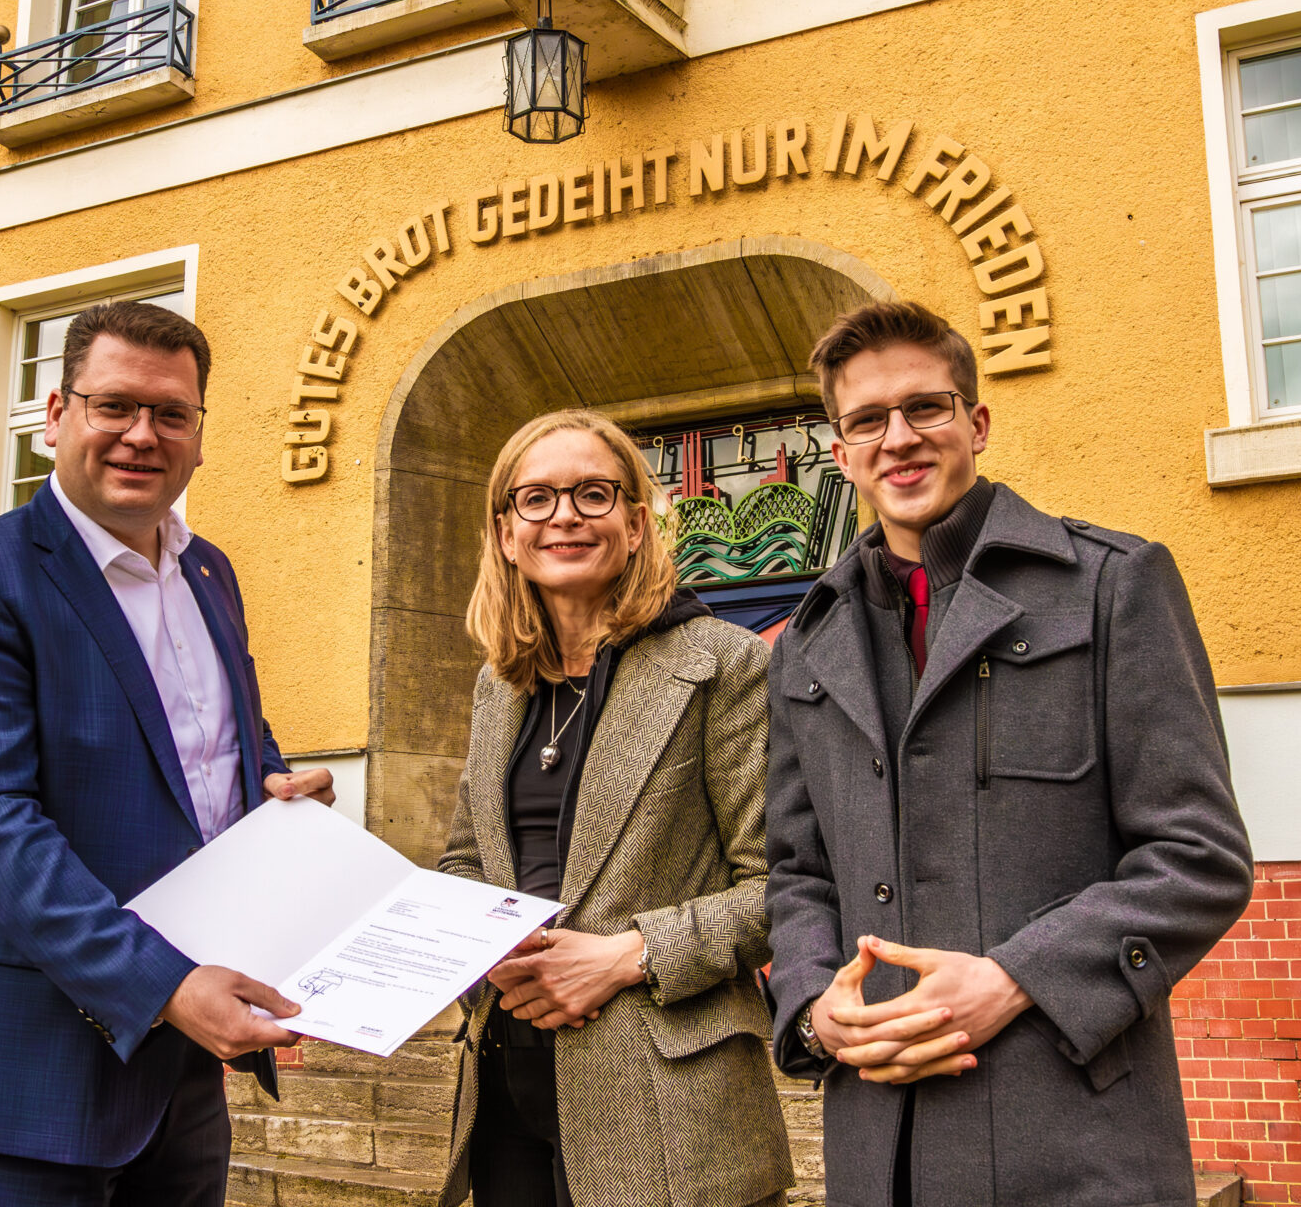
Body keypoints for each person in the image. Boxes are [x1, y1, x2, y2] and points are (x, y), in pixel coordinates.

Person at [763, 301, 1255, 1206]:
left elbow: (1198, 859)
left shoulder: (1113, 584)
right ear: (842, 452)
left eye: (927, 408)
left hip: (1070, 1140)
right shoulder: (804, 644)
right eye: (867, 421)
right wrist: (813, 1009)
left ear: (976, 423)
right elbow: (798, 873)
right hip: (879, 1153)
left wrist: (1015, 978)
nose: (898, 439)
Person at [0, 301, 335, 1206]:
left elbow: (210, 739)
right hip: (25, 1064)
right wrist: (164, 985)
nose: (142, 434)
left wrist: (273, 789)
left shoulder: (210, 572)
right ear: (58, 416)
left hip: (179, 1069)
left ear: (199, 435)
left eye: (171, 414)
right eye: (115, 406)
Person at [436, 410, 794, 1207]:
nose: (563, 515)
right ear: (505, 532)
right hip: (506, 1090)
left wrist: (626, 955)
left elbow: (786, 883)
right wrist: (480, 938)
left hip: (671, 1107)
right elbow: (466, 858)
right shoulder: (498, 686)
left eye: (592, 495)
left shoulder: (724, 663)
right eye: (536, 499)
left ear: (636, 524)